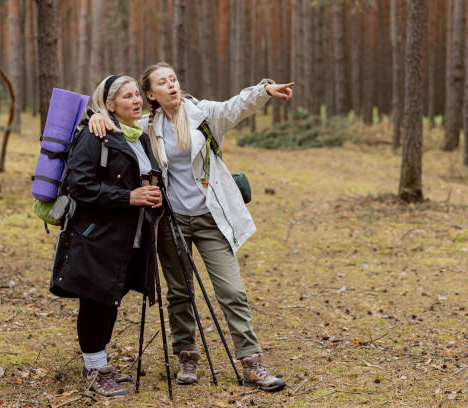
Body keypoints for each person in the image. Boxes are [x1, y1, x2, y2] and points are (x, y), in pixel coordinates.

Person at [89, 62, 293, 392]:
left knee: (231, 290)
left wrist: (263, 90)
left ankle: (252, 364)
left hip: (210, 217)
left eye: (173, 79)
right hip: (171, 221)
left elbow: (235, 106)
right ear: (151, 94)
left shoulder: (202, 114)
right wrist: (97, 116)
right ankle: (187, 356)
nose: (171, 85)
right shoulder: (144, 126)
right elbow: (113, 123)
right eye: (162, 82)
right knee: (180, 292)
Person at [51, 75, 163, 397]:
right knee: (97, 299)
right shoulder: (94, 133)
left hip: (132, 236)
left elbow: (145, 179)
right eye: (127, 96)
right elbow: (79, 185)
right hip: (99, 236)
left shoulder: (138, 137)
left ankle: (99, 363)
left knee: (110, 296)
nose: (136, 100)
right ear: (110, 105)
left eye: (136, 95)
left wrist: (154, 195)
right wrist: (130, 197)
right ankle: (94, 371)